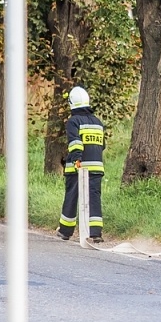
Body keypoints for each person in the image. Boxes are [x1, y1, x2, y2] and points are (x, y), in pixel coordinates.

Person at [58, 86, 105, 241]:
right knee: (94, 198)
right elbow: (102, 145)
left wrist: (76, 160)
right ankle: (95, 233)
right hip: (96, 168)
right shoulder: (98, 122)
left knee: (71, 198)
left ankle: (65, 231)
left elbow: (75, 143)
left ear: (72, 103)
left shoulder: (73, 121)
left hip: (78, 168)